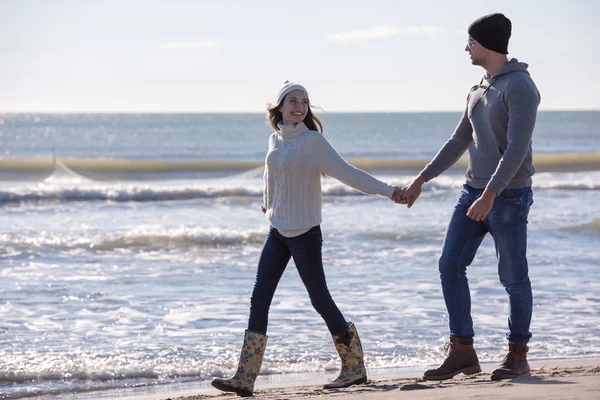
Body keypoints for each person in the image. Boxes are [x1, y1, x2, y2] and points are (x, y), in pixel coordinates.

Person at [212, 81, 403, 397]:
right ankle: (245, 377)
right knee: (259, 298)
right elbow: (269, 175)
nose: (299, 107)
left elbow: (348, 173)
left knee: (319, 298)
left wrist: (388, 190)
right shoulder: (274, 140)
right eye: (293, 101)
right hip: (277, 231)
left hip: (305, 234)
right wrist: (268, 203)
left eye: (304, 102)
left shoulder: (313, 142)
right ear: (280, 107)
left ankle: (354, 367)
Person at [397, 13, 540, 381]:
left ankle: (517, 354)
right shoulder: (478, 88)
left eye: (470, 42)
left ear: (487, 44)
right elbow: (459, 140)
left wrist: (491, 194)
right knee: (449, 265)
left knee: (513, 276)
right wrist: (421, 179)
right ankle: (463, 351)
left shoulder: (521, 87)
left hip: (508, 196)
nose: (466, 48)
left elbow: (517, 150)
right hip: (471, 192)